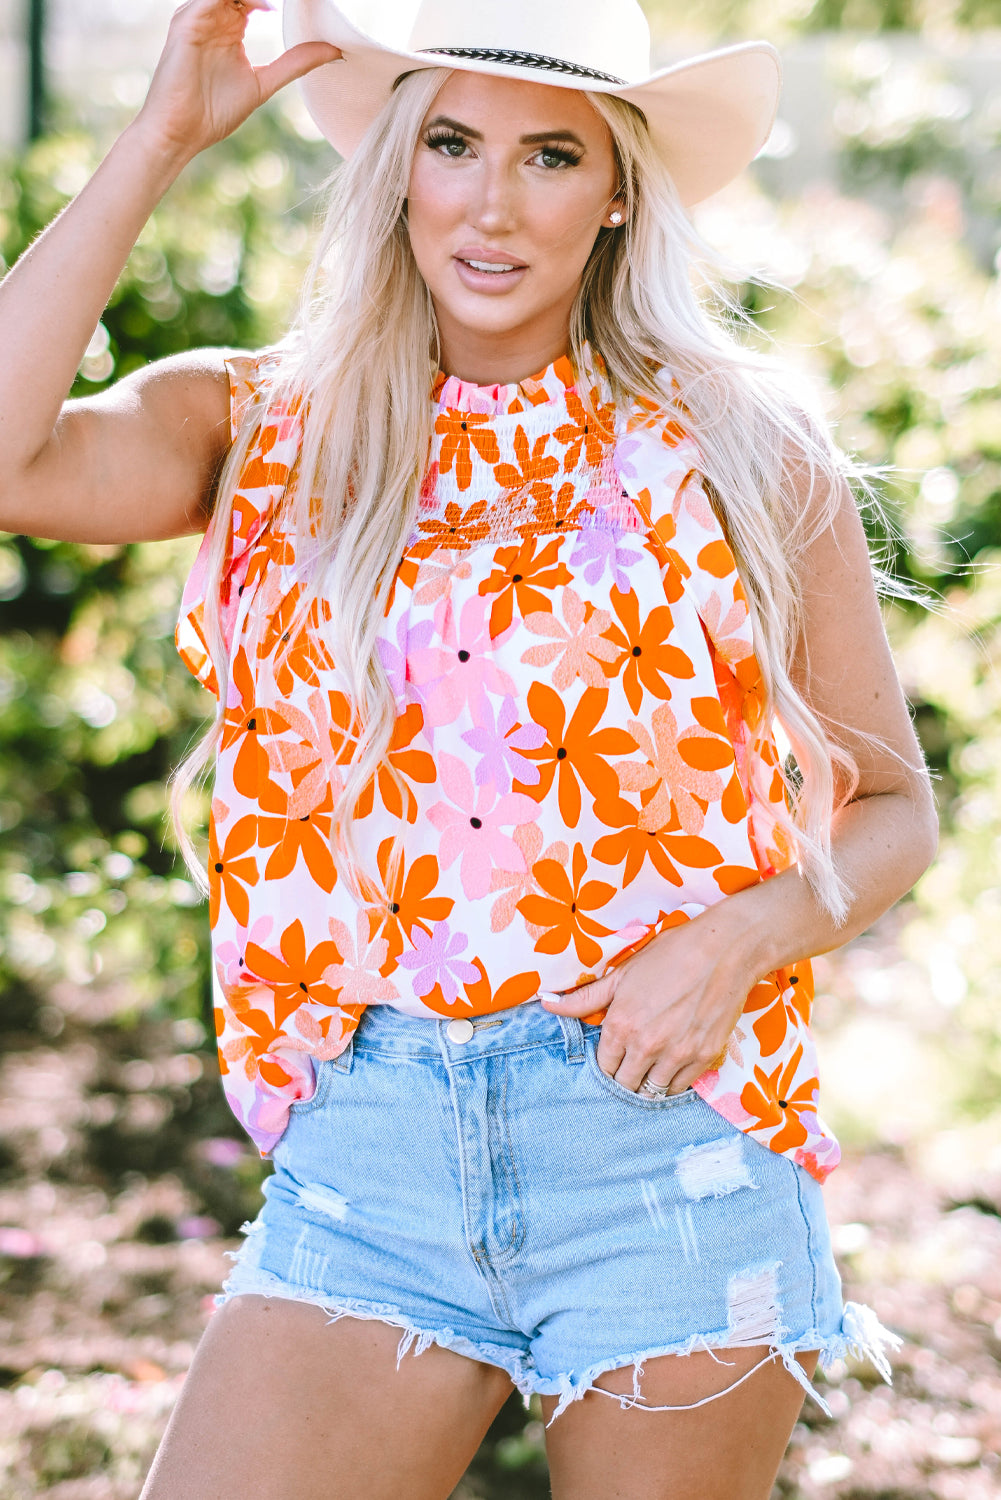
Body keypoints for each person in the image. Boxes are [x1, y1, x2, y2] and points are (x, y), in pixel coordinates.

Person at [0, 0, 938, 1495]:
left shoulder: (740, 445)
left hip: (663, 1146)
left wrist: (737, 942)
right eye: (450, 143)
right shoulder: (261, 429)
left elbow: (892, 808)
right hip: (370, 1147)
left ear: (619, 187)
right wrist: (162, 137)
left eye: (549, 155)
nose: (489, 203)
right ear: (398, 165)